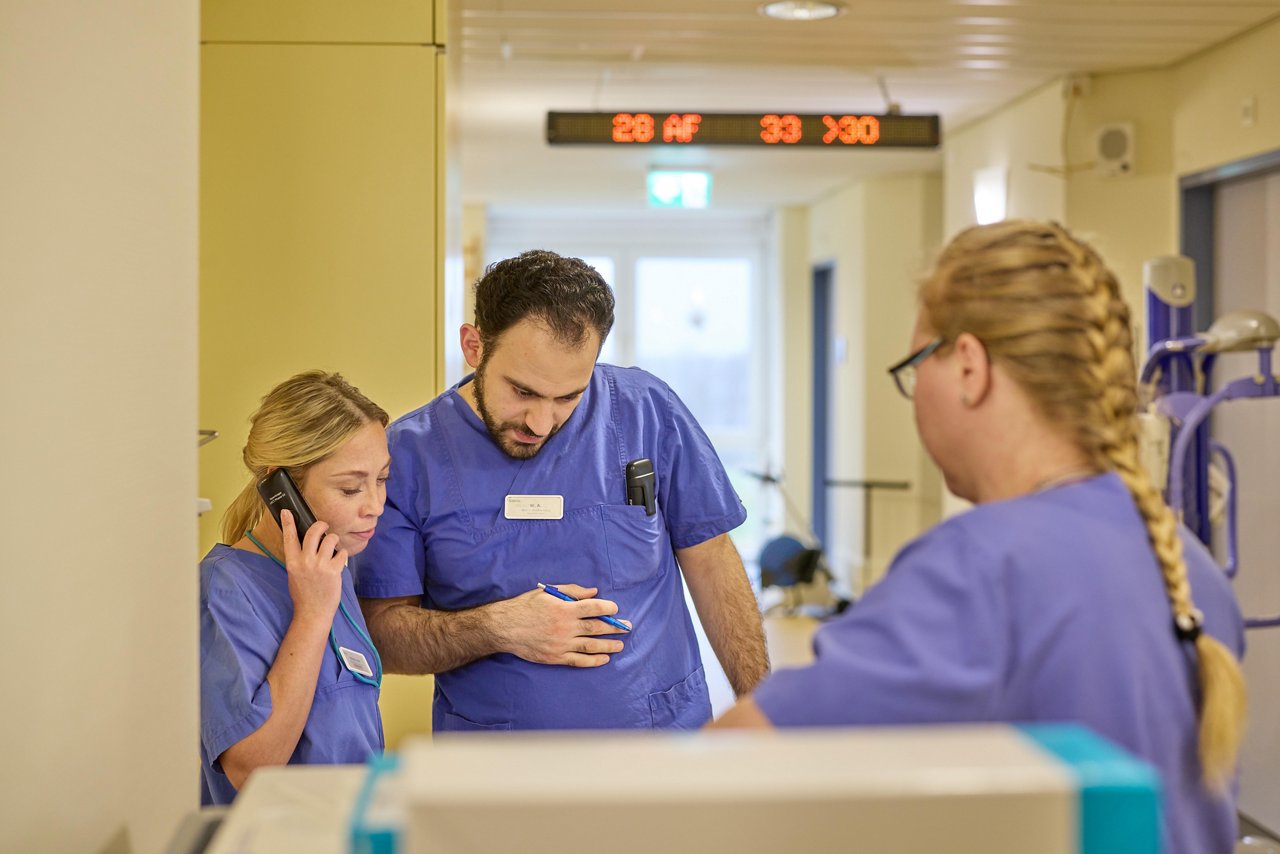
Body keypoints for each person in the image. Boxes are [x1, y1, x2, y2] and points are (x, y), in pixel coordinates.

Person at [711, 221, 1248, 854]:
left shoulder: (981, 568)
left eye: (916, 366)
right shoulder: (1188, 567)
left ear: (968, 365)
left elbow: (724, 771)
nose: (915, 402)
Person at [354, 249, 768, 731]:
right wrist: (497, 628)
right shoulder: (408, 456)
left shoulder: (646, 411)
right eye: (523, 391)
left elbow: (712, 558)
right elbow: (383, 633)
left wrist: (762, 705)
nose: (541, 422)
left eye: (569, 396)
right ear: (473, 346)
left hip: (662, 743)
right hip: (501, 761)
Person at [200, 371, 391, 805]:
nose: (374, 506)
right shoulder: (223, 590)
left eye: (381, 479)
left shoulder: (332, 568)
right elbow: (252, 769)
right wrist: (312, 613)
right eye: (350, 488)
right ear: (279, 489)